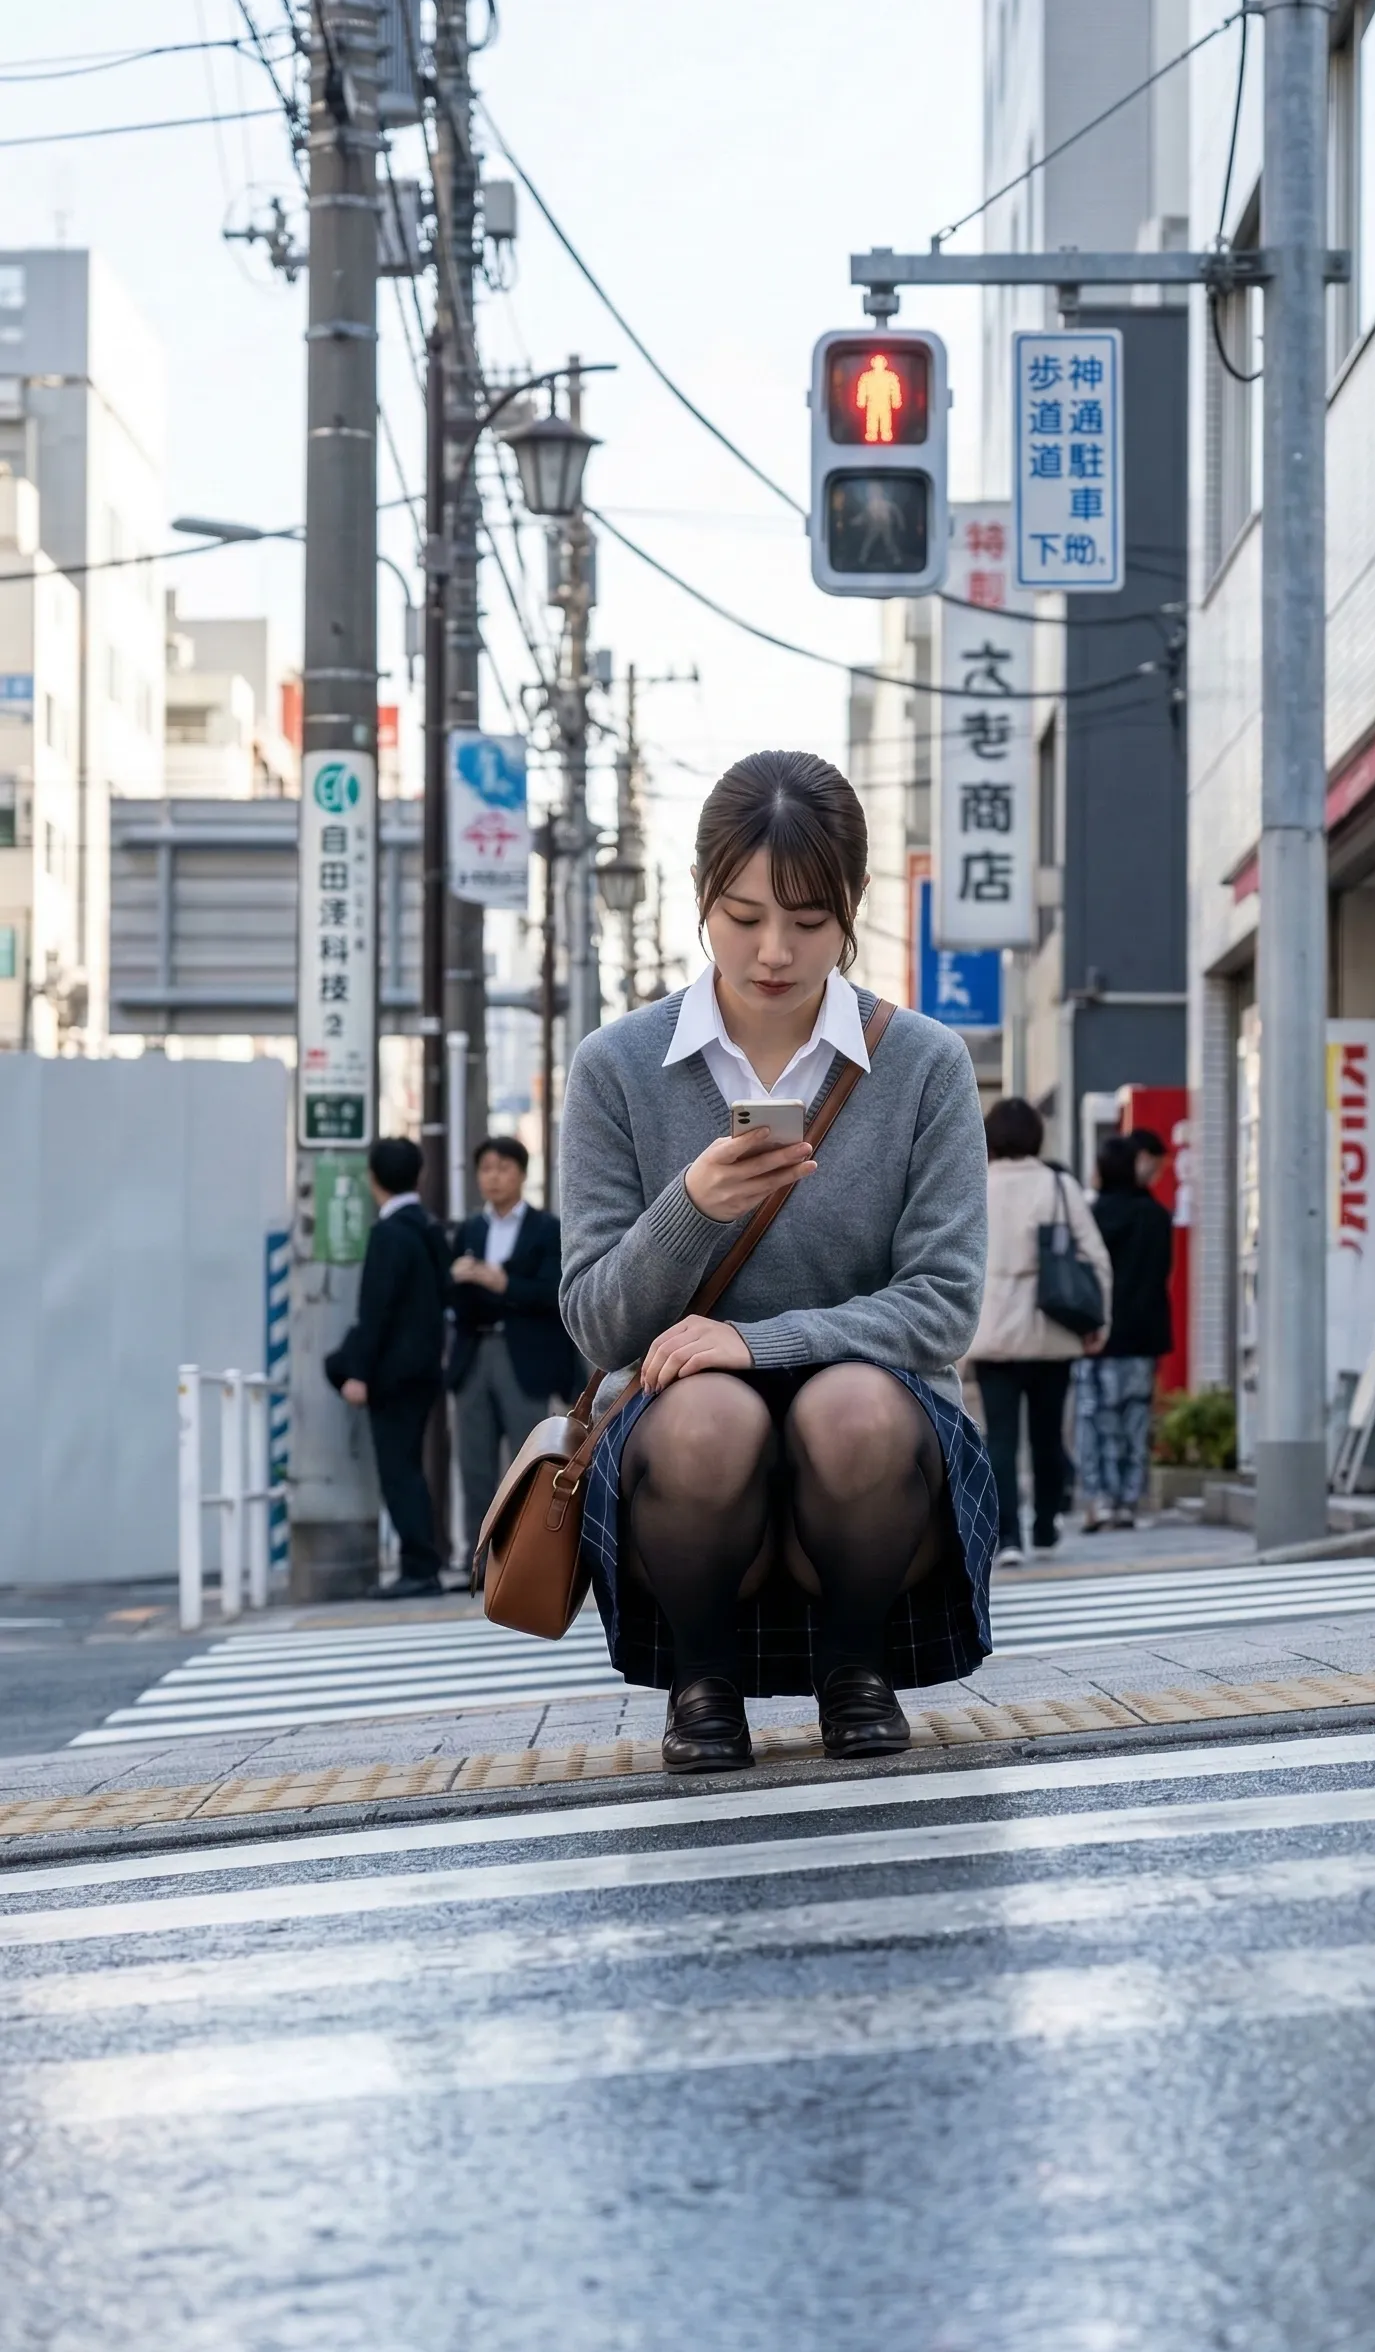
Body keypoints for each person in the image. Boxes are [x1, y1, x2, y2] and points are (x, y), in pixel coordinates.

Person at [557, 747, 995, 1774]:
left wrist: (753, 1344)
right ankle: (701, 1682)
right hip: (690, 1465)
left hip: (877, 1454)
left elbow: (942, 1309)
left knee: (846, 1404)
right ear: (700, 896)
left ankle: (857, 1668)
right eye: (745, 915)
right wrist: (692, 1208)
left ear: (852, 912)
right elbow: (596, 1323)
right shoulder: (617, 1067)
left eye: (808, 921)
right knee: (709, 1414)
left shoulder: (922, 1064)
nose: (774, 951)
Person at [968, 1098, 1111, 1565]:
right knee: (1049, 1436)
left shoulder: (975, 1182)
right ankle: (1046, 1526)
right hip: (1053, 1329)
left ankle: (1007, 1536)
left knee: (1001, 1439)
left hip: (993, 1331)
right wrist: (1099, 1321)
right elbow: (1094, 1258)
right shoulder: (1058, 1184)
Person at [324, 1136, 452, 1599]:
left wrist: (356, 1372)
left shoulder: (389, 1233)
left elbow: (375, 1310)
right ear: (417, 1175)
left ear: (372, 1178)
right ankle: (425, 1561)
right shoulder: (430, 1229)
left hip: (392, 1375)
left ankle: (419, 1567)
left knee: (399, 1471)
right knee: (411, 1467)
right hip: (425, 1370)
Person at [447, 1133, 571, 1548]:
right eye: (485, 1169)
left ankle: (528, 1552)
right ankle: (478, 1555)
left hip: (523, 1356)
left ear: (521, 1174)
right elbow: (451, 1301)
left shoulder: (545, 1228)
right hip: (474, 1352)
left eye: (503, 1168)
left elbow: (554, 1292)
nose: (493, 1178)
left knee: (528, 1455)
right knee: (474, 1461)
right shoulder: (469, 1229)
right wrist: (460, 1279)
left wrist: (503, 1283)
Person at [1077, 1131, 1174, 1532]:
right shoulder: (1156, 1216)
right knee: (1135, 1420)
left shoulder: (1092, 1217)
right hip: (1144, 1334)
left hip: (1098, 1335)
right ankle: (1129, 1502)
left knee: (1096, 1420)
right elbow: (1162, 1273)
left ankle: (1101, 1498)